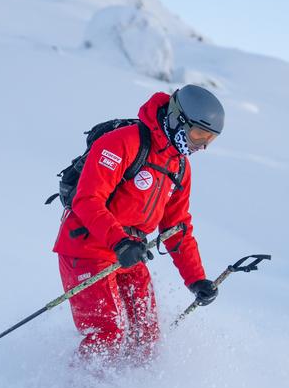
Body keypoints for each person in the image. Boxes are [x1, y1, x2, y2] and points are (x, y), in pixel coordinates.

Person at [53, 85, 224, 364]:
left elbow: (177, 226)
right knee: (108, 334)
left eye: (210, 139)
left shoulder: (179, 166)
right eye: (198, 135)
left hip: (129, 253)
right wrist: (119, 241)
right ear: (177, 118)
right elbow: (87, 199)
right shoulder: (124, 142)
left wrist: (196, 279)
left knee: (146, 336)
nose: (201, 145)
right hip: (86, 248)